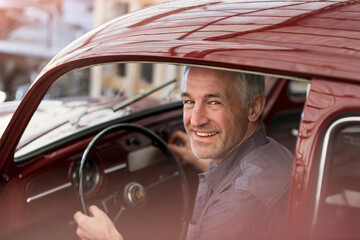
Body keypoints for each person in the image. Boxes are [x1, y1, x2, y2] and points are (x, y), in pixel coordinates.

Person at [74, 66, 293, 240]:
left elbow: (241, 196)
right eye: (189, 102)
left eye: (214, 102)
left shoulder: (239, 203)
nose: (195, 120)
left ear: (254, 108)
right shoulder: (273, 154)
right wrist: (202, 161)